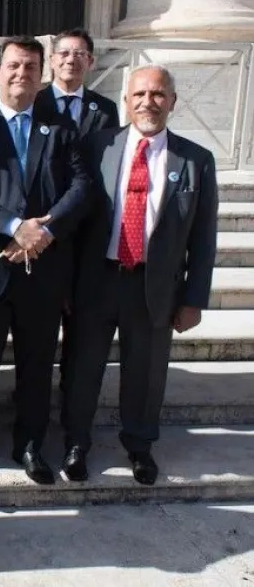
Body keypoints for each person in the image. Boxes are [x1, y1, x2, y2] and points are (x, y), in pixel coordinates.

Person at [60, 65, 218, 485]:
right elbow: (74, 222)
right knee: (82, 367)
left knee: (146, 371)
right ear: (126, 102)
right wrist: (64, 283)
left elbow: (203, 237)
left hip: (154, 285)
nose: (148, 102)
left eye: (158, 94)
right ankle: (76, 442)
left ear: (173, 101)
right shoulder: (96, 147)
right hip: (96, 278)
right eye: (139, 95)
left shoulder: (196, 160)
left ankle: (140, 445)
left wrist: (194, 298)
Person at [0, 36, 92, 485]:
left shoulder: (62, 130)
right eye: (13, 65)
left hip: (43, 275)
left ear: (41, 74)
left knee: (36, 366)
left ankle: (28, 444)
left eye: (30, 66)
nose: (21, 74)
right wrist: (14, 227)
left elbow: (82, 187)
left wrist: (42, 233)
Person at [34, 28, 120, 394]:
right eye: (64, 53)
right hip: (43, 224)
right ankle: (31, 383)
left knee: (80, 314)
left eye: (80, 54)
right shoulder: (35, 102)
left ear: (91, 62)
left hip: (87, 228)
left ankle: (71, 383)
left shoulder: (105, 109)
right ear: (51, 60)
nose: (71, 60)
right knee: (39, 316)